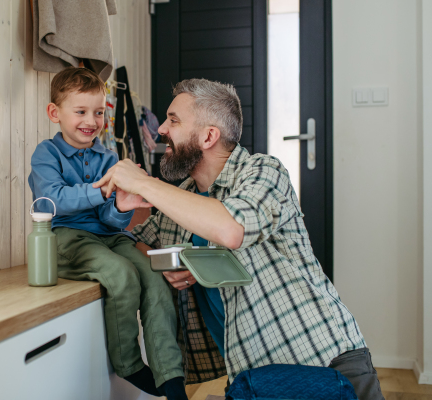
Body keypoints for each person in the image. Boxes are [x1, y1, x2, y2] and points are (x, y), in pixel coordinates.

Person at [94, 78, 385, 400]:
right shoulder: (184, 198)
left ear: (208, 136)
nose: (161, 129)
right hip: (251, 377)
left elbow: (232, 229)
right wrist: (165, 261)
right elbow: (131, 239)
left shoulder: (264, 172)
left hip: (321, 362)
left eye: (173, 120)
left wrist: (144, 184)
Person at [28, 67, 188, 399]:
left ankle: (171, 377)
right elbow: (52, 200)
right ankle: (128, 363)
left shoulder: (109, 156)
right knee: (121, 273)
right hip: (68, 239)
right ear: (54, 113)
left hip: (110, 237)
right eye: (81, 111)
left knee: (154, 277)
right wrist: (101, 193)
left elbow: (111, 221)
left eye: (99, 112)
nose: (91, 120)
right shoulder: (47, 154)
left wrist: (120, 208)